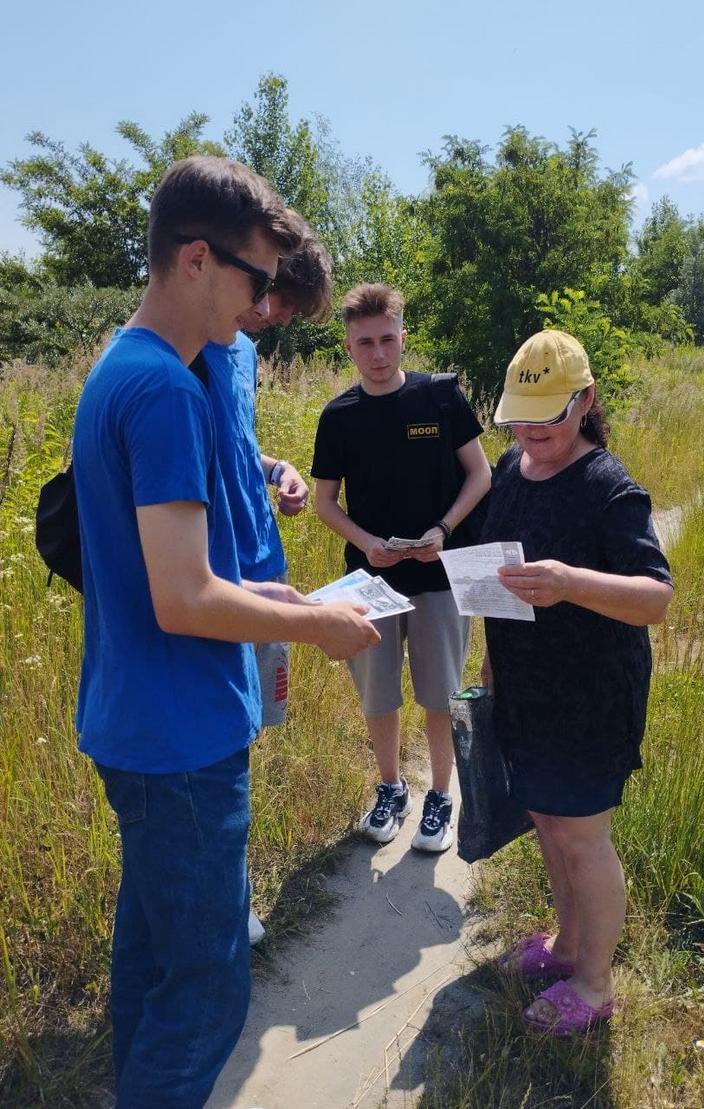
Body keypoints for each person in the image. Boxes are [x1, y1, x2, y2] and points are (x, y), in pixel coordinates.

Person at [72, 156, 379, 1108]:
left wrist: (282, 602)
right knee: (206, 992)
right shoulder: (163, 389)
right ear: (196, 259)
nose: (260, 305)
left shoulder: (126, 368)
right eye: (254, 278)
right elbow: (185, 601)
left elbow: (184, 576)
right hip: (183, 737)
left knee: (154, 959)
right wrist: (323, 624)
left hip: (138, 721)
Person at [480, 329, 672, 1036]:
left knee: (583, 837)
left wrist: (567, 582)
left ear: (585, 400)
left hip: (591, 695)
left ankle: (594, 984)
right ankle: (563, 946)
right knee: (548, 824)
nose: (531, 431)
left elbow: (653, 596)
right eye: (519, 416)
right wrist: (492, 663)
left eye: (549, 415)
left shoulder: (607, 487)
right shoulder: (508, 467)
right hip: (525, 687)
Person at [312, 283, 491, 851]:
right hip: (371, 581)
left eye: (388, 339)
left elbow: (480, 475)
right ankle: (390, 788)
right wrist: (367, 543)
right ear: (348, 347)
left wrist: (443, 529)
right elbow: (324, 502)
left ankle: (441, 795)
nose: (379, 353)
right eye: (365, 343)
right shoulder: (338, 416)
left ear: (403, 337)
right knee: (378, 694)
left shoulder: (439, 398)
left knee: (439, 694)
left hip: (440, 575)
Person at [201, 211, 333, 944]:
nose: (268, 317)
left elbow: (234, 450)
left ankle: (231, 888)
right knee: (214, 746)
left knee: (246, 736)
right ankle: (218, 905)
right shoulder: (186, 351)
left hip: (263, 569)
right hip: (215, 584)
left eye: (283, 314)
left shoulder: (243, 354)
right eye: (269, 298)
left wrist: (275, 469)